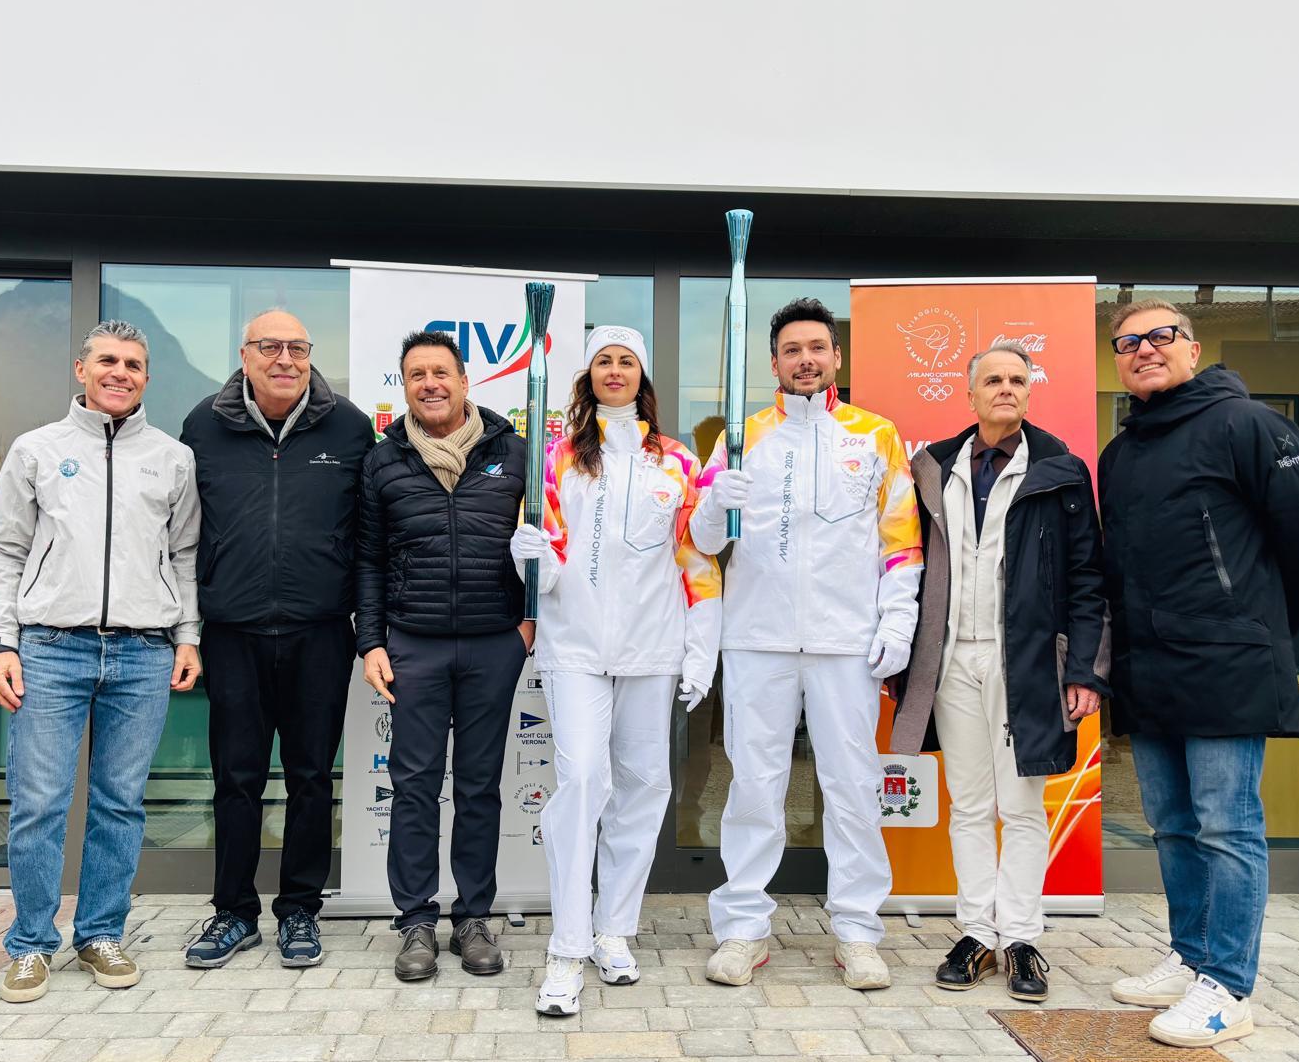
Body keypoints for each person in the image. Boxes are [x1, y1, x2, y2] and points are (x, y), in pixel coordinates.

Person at [1100, 300, 1299, 1047]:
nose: (1145, 350)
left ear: (1193, 349)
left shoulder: (1250, 425)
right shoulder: (1120, 454)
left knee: (1228, 826)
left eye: (1160, 336)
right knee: (1171, 824)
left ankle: (1228, 987)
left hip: (1227, 662)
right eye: (1128, 342)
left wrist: (1260, 625)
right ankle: (1192, 955)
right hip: (1150, 665)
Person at [691, 297, 923, 990]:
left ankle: (857, 931)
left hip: (845, 642)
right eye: (792, 350)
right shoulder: (741, 436)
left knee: (852, 787)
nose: (806, 360)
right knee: (754, 786)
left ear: (836, 357)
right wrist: (714, 500)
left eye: (817, 347)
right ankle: (743, 927)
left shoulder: (875, 435)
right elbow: (701, 540)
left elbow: (901, 540)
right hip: (757, 638)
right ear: (774, 363)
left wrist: (897, 622)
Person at [0, 319, 201, 1003]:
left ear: (146, 377)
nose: (120, 373)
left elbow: (185, 555)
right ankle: (30, 943)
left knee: (119, 804)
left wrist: (188, 635)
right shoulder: (37, 450)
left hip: (143, 652)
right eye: (107, 360)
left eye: (133, 364)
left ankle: (101, 933)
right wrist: (2, 643)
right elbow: (4, 551)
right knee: (39, 804)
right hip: (50, 649)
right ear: (81, 370)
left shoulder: (172, 458)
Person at [509, 326, 722, 1016]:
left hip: (652, 648)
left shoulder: (677, 462)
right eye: (603, 360)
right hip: (574, 645)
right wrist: (529, 556)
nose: (615, 370)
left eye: (627, 360)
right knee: (581, 783)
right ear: (588, 375)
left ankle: (613, 930)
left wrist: (701, 648)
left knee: (644, 785)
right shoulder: (559, 458)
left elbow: (697, 560)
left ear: (642, 377)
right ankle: (567, 947)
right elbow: (549, 557)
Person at [890, 344, 1108, 1002]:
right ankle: (977, 933)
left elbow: (1088, 577)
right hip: (951, 658)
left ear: (1030, 390)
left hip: (1029, 661)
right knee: (969, 804)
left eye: (1017, 379)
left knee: (1020, 807)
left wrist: (1087, 670)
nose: (1006, 388)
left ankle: (1020, 937)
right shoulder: (932, 466)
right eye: (993, 380)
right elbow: (906, 561)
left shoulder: (1060, 469)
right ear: (971, 393)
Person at [179, 309, 374, 969]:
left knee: (311, 777)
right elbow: (183, 533)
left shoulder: (349, 427)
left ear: (310, 354)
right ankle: (234, 912)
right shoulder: (204, 425)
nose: (284, 358)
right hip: (232, 632)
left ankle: (299, 910)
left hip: (321, 632)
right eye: (270, 346)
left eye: (296, 346)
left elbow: (367, 535)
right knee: (236, 778)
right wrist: (188, 627)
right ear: (245, 355)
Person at [357, 329, 531, 981]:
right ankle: (415, 923)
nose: (429, 384)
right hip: (414, 643)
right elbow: (368, 559)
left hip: (494, 642)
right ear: (404, 387)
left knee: (480, 787)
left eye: (440, 372)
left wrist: (529, 622)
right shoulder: (383, 461)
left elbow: (546, 540)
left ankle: (473, 918)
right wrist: (371, 641)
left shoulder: (514, 452)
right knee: (414, 786)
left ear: (464, 381)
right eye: (416, 375)